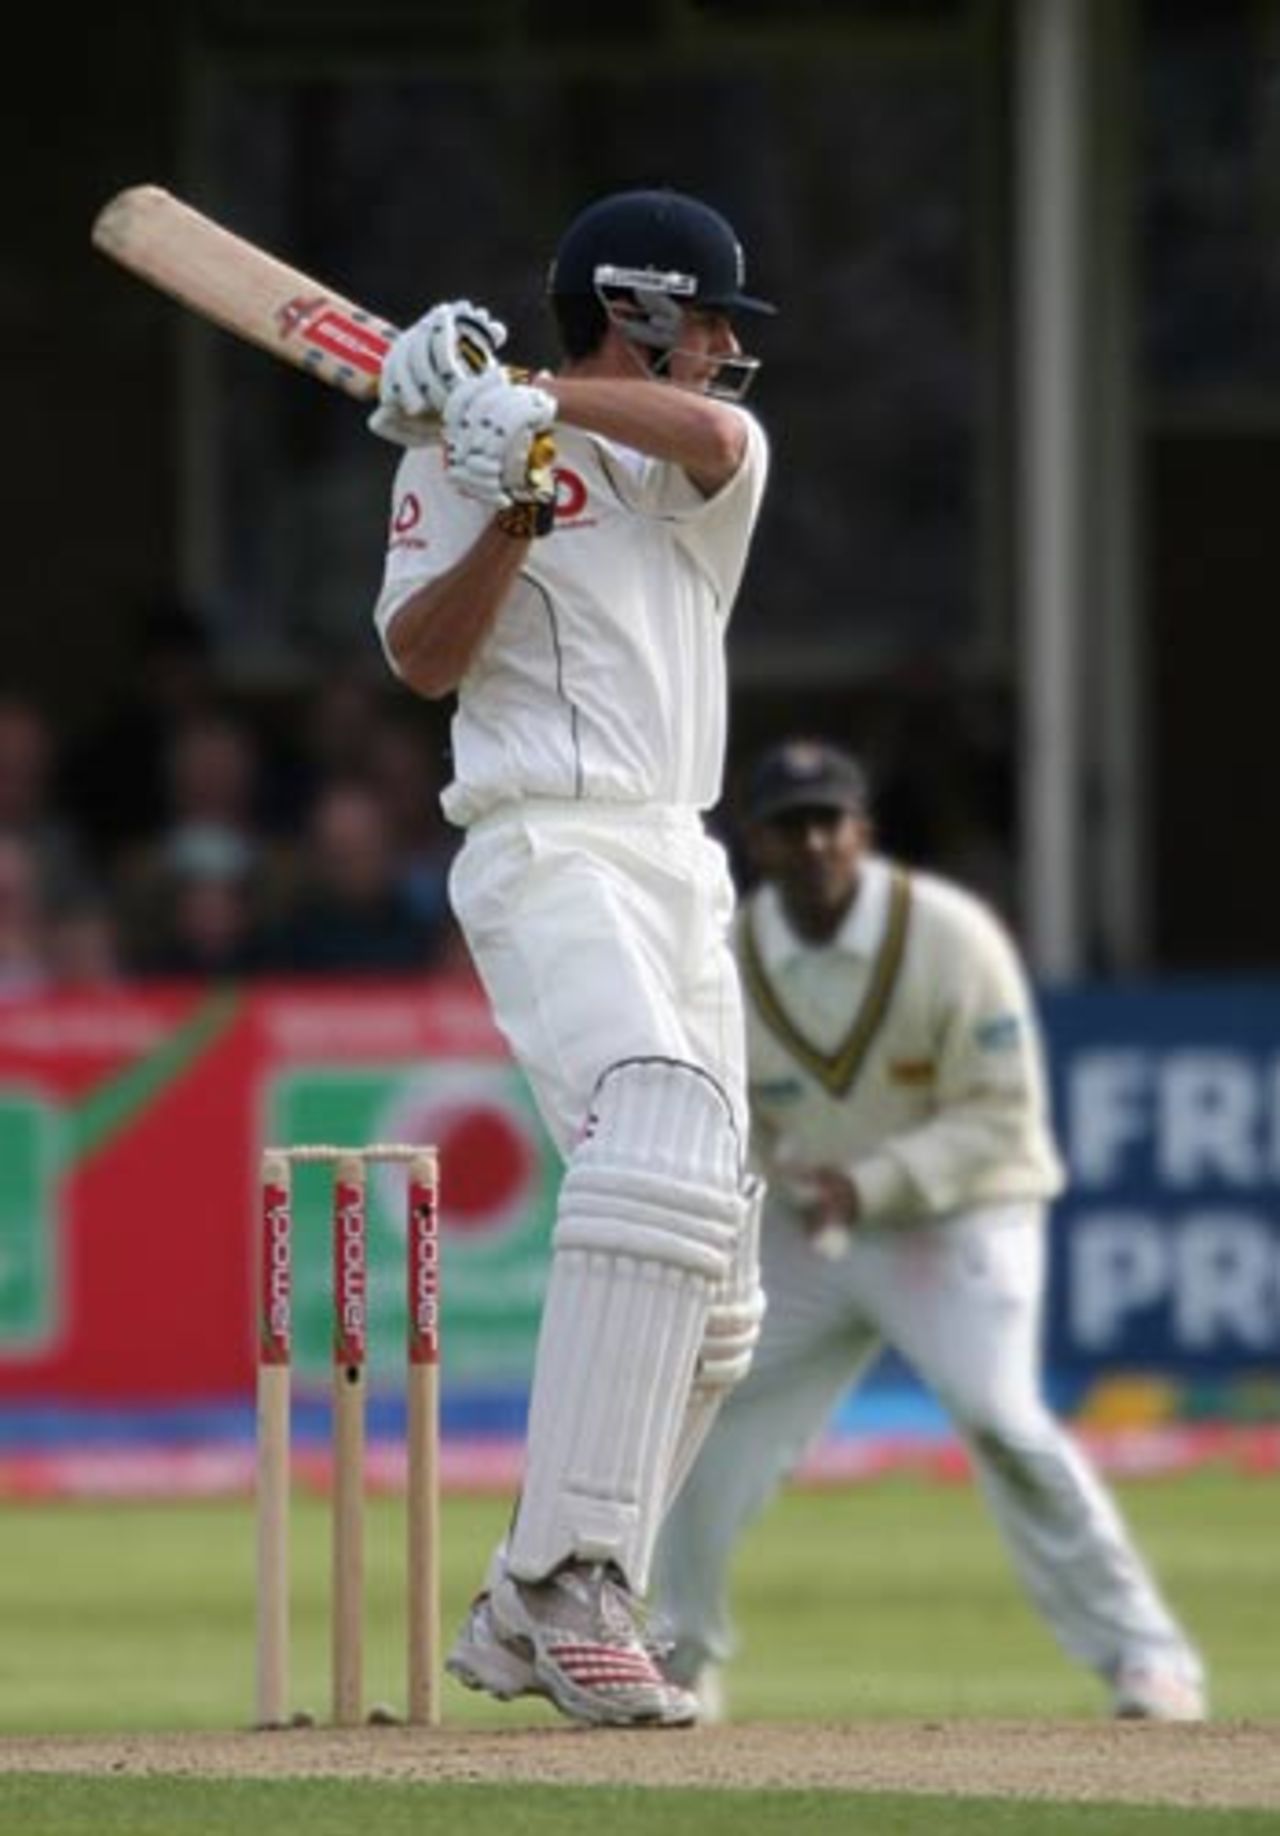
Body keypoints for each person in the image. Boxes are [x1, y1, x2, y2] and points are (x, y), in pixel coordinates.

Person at [366, 187, 776, 1725]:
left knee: (726, 1302)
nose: (731, 351)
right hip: (543, 842)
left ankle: (525, 1600)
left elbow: (719, 444)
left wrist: (517, 398)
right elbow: (421, 659)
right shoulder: (446, 451)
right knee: (658, 1118)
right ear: (652, 305)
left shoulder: (696, 454)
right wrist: (508, 507)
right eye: (717, 318)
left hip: (680, 854)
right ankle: (574, 1587)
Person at [648, 737, 1208, 1724]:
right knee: (710, 1406)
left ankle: (1145, 1658)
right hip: (812, 1226)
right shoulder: (731, 959)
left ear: (863, 832)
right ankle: (675, 1656)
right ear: (758, 846)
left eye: (831, 822)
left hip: (958, 1218)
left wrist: (869, 1184)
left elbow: (999, 1115)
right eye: (790, 828)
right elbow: (737, 1111)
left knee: (999, 1419)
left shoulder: (949, 939)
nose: (814, 843)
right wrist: (781, 1181)